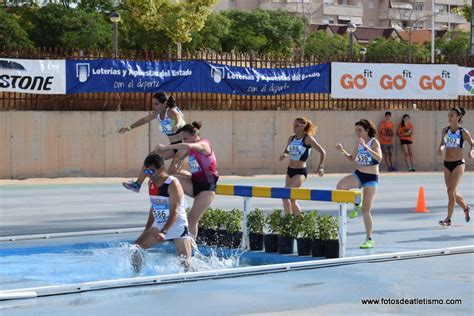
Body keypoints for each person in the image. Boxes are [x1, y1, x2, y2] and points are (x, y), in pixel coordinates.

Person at [155, 121, 218, 239]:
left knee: (192, 219)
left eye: (185, 138)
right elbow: (175, 164)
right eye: (182, 139)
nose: (184, 141)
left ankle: (192, 247)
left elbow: (188, 146)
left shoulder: (204, 145)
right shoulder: (190, 149)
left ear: (194, 136)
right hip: (194, 183)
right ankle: (174, 208)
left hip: (206, 188)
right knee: (171, 178)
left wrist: (166, 147)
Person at [131, 154, 192, 273]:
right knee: (135, 250)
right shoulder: (151, 184)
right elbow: (154, 208)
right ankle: (136, 275)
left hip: (177, 227)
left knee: (186, 266)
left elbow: (175, 211)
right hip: (159, 225)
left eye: (151, 171)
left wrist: (164, 231)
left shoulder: (173, 184)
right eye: (146, 170)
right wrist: (147, 229)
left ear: (161, 169)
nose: (148, 174)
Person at [119, 92, 186, 192]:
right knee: (151, 159)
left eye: (156, 104)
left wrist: (177, 124)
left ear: (164, 104)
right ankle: (137, 185)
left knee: (172, 171)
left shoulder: (170, 112)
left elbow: (179, 117)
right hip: (173, 146)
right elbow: (144, 120)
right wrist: (129, 128)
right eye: (153, 104)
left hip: (183, 145)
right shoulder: (157, 114)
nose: (153, 106)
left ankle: (194, 179)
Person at [335, 119, 382, 249]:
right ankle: (356, 203)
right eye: (356, 130)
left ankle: (369, 238)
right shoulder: (358, 142)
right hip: (359, 174)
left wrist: (366, 147)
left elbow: (379, 158)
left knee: (366, 211)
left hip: (371, 178)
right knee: (340, 186)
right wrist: (342, 150)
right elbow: (352, 158)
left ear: (367, 130)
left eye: (359, 130)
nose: (357, 132)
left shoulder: (374, 142)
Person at [279, 117, 326, 215]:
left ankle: (287, 221)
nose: (294, 128)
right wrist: (285, 154)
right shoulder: (291, 138)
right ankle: (299, 221)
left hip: (300, 172)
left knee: (284, 194)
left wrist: (321, 166)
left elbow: (323, 152)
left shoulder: (307, 139)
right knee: (292, 200)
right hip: (290, 171)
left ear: (303, 127)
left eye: (296, 126)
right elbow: (287, 150)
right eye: (293, 126)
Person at [437, 107, 473, 227]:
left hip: (458, 163)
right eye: (448, 115)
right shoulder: (445, 131)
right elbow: (443, 143)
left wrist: (472, 152)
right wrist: (440, 149)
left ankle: (448, 219)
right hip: (447, 164)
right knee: (451, 192)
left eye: (451, 115)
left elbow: (472, 144)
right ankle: (466, 208)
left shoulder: (463, 132)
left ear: (458, 117)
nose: (449, 117)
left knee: (450, 191)